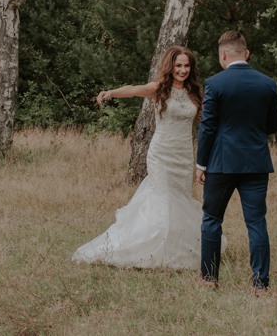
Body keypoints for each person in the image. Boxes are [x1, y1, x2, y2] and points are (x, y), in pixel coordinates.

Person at [72, 46, 225, 269]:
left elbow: (210, 120)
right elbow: (134, 90)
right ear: (170, 66)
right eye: (178, 65)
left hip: (183, 155)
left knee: (180, 199)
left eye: (186, 65)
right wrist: (111, 92)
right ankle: (149, 248)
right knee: (163, 200)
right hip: (161, 153)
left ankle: (176, 249)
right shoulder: (159, 89)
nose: (182, 70)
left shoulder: (195, 93)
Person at [196, 31, 277, 294]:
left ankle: (209, 279)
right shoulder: (268, 83)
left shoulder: (215, 83)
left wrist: (201, 164)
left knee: (212, 219)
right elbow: (272, 126)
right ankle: (260, 284)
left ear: (223, 54)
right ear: (247, 53)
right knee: (256, 222)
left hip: (221, 163)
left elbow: (207, 126)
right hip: (256, 162)